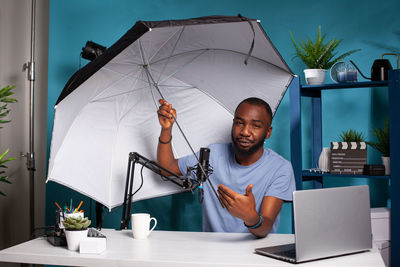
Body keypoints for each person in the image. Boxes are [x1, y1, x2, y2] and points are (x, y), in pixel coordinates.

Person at [157, 97, 295, 237]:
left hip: (256, 253)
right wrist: (166, 129)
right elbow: (167, 168)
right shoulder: (212, 155)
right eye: (239, 123)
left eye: (255, 126)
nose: (245, 131)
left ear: (268, 132)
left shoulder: (280, 168)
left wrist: (250, 217)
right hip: (211, 252)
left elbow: (265, 227)